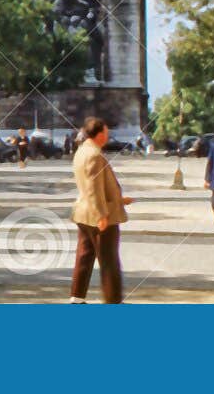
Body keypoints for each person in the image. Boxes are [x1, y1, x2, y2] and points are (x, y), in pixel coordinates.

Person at [69, 116, 133, 304]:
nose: (107, 136)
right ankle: (113, 300)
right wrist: (102, 215)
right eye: (106, 133)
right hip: (99, 216)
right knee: (109, 261)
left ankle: (77, 296)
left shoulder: (82, 152)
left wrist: (120, 200)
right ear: (98, 134)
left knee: (84, 256)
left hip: (84, 213)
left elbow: (93, 187)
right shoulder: (94, 155)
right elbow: (93, 188)